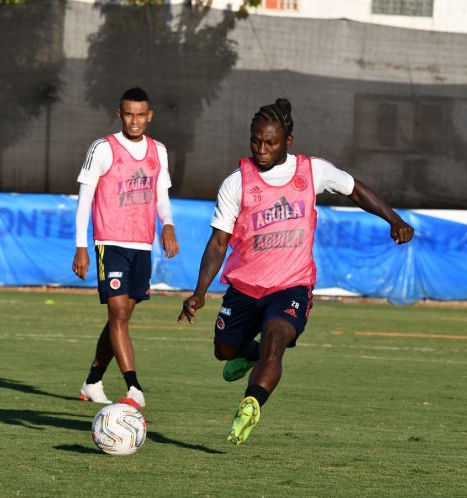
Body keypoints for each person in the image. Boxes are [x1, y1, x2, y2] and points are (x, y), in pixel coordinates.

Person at [177, 98, 413, 445]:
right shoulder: (236, 183)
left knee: (276, 342)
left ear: (288, 141)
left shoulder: (312, 171)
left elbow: (355, 189)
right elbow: (218, 243)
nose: (261, 149)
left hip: (291, 285)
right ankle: (251, 355)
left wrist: (393, 219)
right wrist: (199, 293)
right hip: (245, 286)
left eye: (270, 142)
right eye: (256, 141)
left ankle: (252, 403)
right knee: (224, 351)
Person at [72, 87, 178, 409]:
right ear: (120, 115)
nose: (134, 121)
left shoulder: (158, 151)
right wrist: (81, 246)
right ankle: (134, 387)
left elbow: (161, 195)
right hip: (110, 242)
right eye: (128, 114)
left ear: (149, 116)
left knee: (122, 316)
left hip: (141, 245)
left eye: (140, 115)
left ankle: (92, 381)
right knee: (117, 313)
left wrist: (168, 225)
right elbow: (84, 200)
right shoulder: (103, 149)